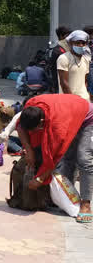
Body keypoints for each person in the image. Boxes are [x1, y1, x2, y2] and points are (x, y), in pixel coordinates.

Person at [18, 94, 93, 224]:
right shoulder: (31, 106)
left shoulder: (58, 125)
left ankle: (86, 204)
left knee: (83, 158)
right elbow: (20, 127)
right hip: (70, 111)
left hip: (87, 118)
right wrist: (29, 150)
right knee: (69, 159)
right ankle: (67, 198)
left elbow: (54, 157)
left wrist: (40, 179)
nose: (34, 133)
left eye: (35, 130)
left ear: (42, 123)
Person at [57, 30, 91, 100]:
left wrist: (86, 96)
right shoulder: (64, 58)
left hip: (84, 100)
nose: (81, 45)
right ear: (70, 43)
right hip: (69, 101)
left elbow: (85, 81)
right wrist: (73, 100)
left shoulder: (86, 59)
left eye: (83, 43)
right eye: (77, 43)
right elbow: (64, 83)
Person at [46, 26, 72, 94]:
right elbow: (53, 68)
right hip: (60, 81)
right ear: (61, 36)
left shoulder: (69, 48)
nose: (69, 38)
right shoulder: (57, 50)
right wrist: (54, 84)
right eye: (67, 36)